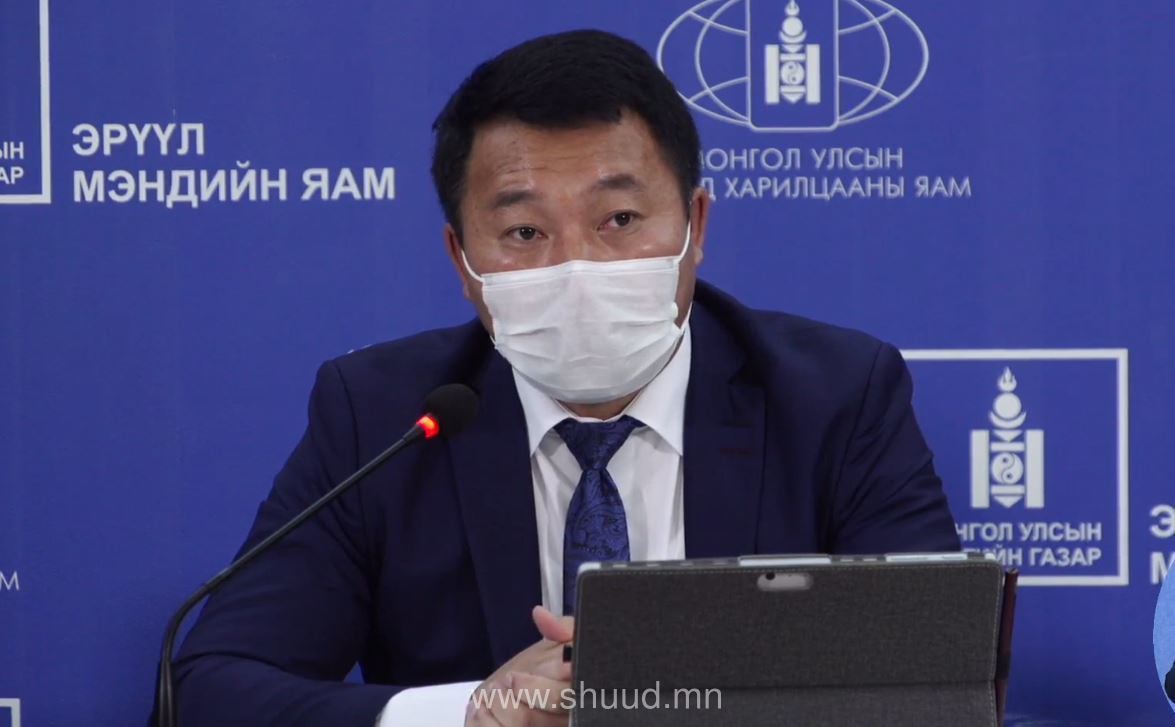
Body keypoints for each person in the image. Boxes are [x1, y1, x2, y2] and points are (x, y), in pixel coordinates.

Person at [169, 29, 960, 727]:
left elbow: (936, 679)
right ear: (463, 262)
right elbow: (207, 692)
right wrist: (469, 713)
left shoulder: (835, 397)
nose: (576, 266)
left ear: (695, 227)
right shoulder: (382, 415)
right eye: (523, 231)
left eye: (619, 220)